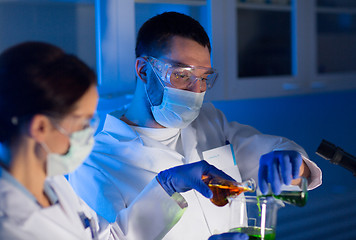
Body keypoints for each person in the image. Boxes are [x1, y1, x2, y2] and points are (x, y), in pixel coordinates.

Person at [69, 12, 322, 239]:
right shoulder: (94, 164)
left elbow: (279, 164)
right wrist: (164, 188)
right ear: (144, 70)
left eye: (203, 78)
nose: (196, 91)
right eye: (181, 75)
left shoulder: (210, 121)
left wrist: (292, 164)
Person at [0, 41, 248, 240]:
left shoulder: (50, 184)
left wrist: (169, 184)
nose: (89, 133)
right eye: (83, 123)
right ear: (40, 127)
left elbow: (111, 238)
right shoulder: (10, 225)